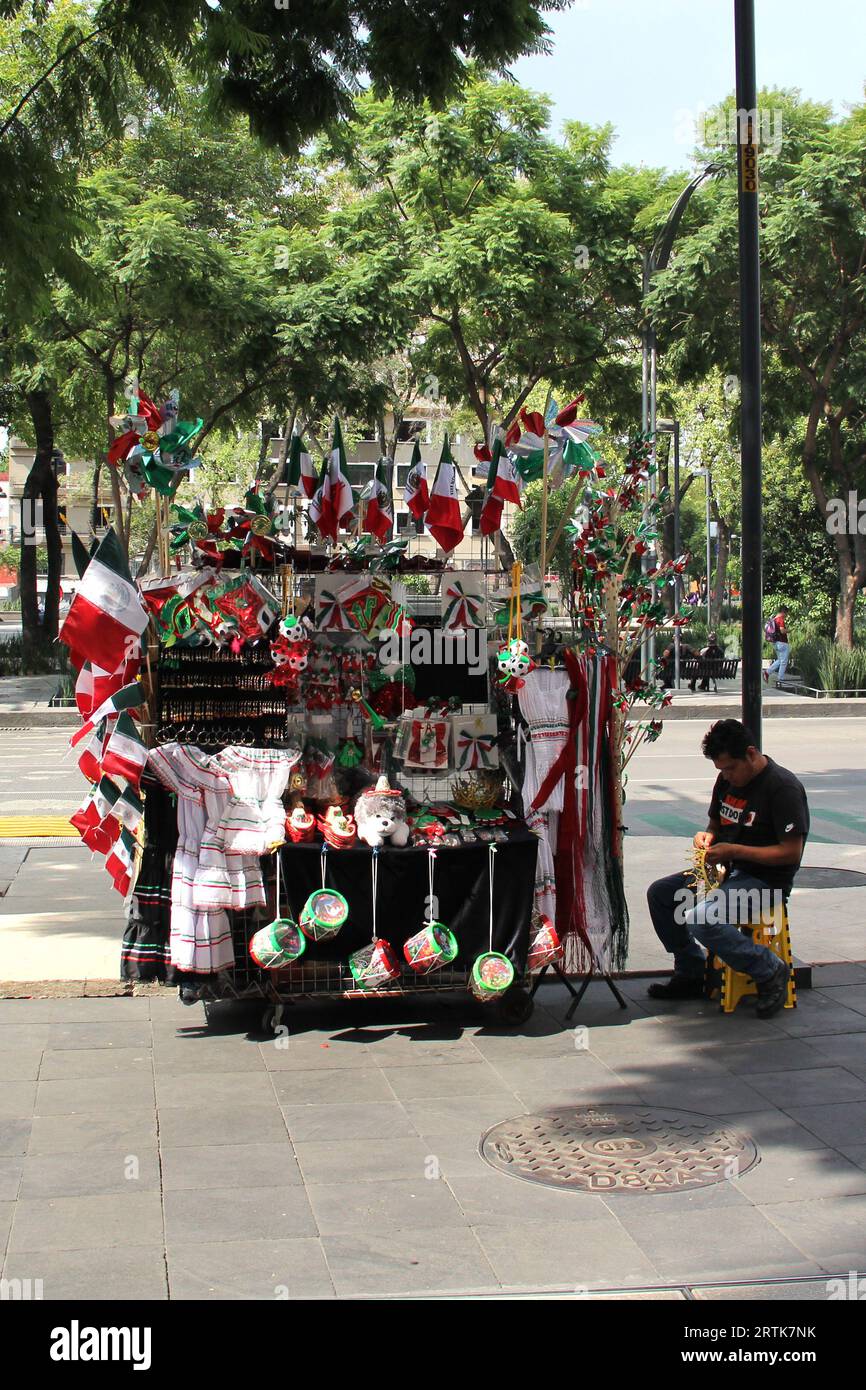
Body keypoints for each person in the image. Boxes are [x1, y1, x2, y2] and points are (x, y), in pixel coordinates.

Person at [645, 719, 809, 1019]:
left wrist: (734, 851)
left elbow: (790, 852)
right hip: (726, 871)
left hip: (764, 883)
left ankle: (770, 969)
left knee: (701, 918)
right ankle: (691, 971)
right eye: (721, 770)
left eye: (731, 768)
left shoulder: (782, 787)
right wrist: (706, 837)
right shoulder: (726, 782)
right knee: (662, 894)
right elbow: (715, 826)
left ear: (750, 754)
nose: (726, 776)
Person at [764, 606, 790, 685]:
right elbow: (782, 631)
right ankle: (780, 679)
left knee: (780, 660)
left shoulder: (774, 618)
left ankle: (767, 672)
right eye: (786, 613)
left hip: (775, 642)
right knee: (784, 662)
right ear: (783, 612)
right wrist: (789, 630)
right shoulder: (780, 619)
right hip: (782, 642)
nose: (786, 615)